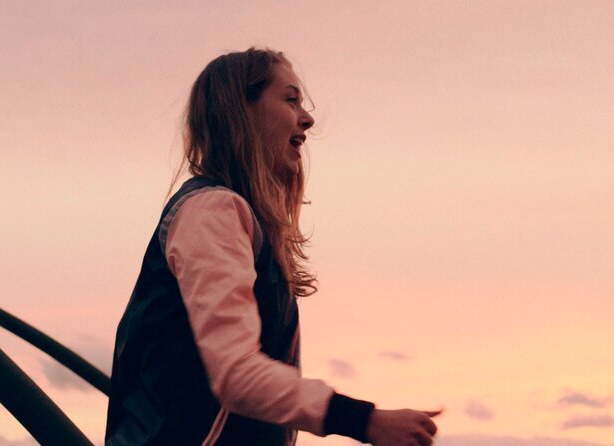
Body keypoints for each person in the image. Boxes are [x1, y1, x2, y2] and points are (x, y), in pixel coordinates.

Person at [105, 48, 439, 446]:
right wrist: (365, 421)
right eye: (291, 100)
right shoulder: (212, 212)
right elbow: (236, 373)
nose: (307, 118)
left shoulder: (237, 220)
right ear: (242, 111)